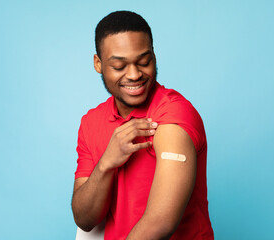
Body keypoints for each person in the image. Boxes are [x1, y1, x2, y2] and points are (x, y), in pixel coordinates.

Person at [71, 11, 214, 240]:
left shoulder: (174, 114)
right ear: (98, 64)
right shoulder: (91, 122)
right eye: (119, 66)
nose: (135, 74)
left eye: (144, 61)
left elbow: (160, 222)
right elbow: (85, 219)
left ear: (154, 56)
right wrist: (106, 163)